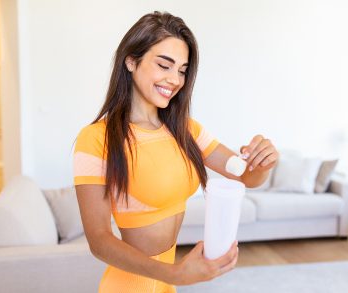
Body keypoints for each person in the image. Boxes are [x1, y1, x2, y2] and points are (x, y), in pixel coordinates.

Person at [73, 11, 279, 293]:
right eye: (164, 65)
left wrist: (263, 161)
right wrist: (175, 273)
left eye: (182, 70)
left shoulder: (186, 131)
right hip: (129, 285)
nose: (175, 79)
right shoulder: (97, 139)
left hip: (166, 284)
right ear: (131, 61)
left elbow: (246, 176)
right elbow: (98, 240)